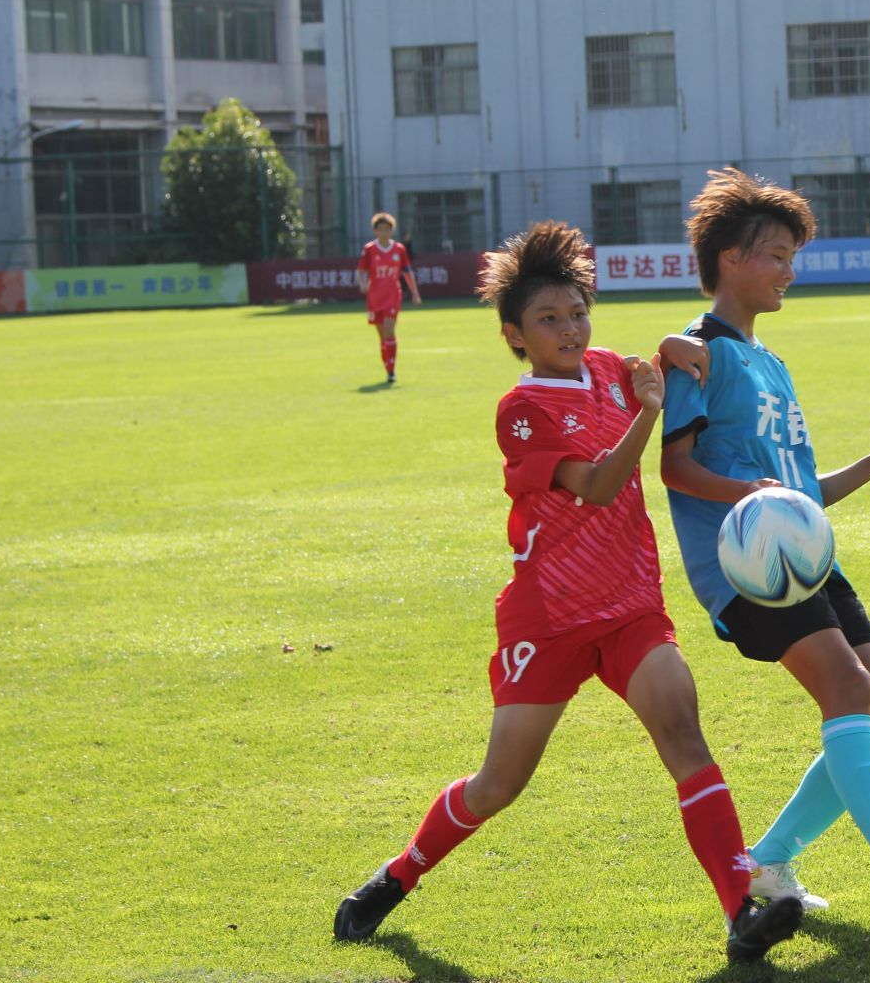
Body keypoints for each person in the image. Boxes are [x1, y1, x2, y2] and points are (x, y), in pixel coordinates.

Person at [332, 221, 804, 966]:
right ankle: (399, 874)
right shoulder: (521, 410)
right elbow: (597, 485)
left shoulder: (613, 370)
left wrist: (676, 350)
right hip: (547, 619)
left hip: (631, 609)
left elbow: (655, 362)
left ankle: (739, 906)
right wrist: (651, 409)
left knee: (684, 736)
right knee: (497, 786)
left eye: (578, 312)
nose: (569, 329)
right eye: (548, 319)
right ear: (515, 335)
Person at [658, 168, 870, 922]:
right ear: (731, 260)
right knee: (848, 690)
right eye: (774, 255)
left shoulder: (771, 363)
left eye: (790, 256)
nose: (788, 271)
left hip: (804, 556)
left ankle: (767, 862)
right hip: (749, 567)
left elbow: (798, 493)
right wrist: (757, 498)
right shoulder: (697, 351)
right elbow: (676, 467)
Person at [356, 212, 422, 383]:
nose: (384, 232)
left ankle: (392, 370)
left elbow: (407, 272)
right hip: (375, 296)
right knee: (382, 336)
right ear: (375, 231)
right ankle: (388, 366)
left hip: (393, 294)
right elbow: (361, 270)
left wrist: (415, 293)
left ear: (392, 230)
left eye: (387, 229)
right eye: (380, 229)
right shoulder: (370, 249)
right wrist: (362, 283)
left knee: (390, 330)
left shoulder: (399, 249)